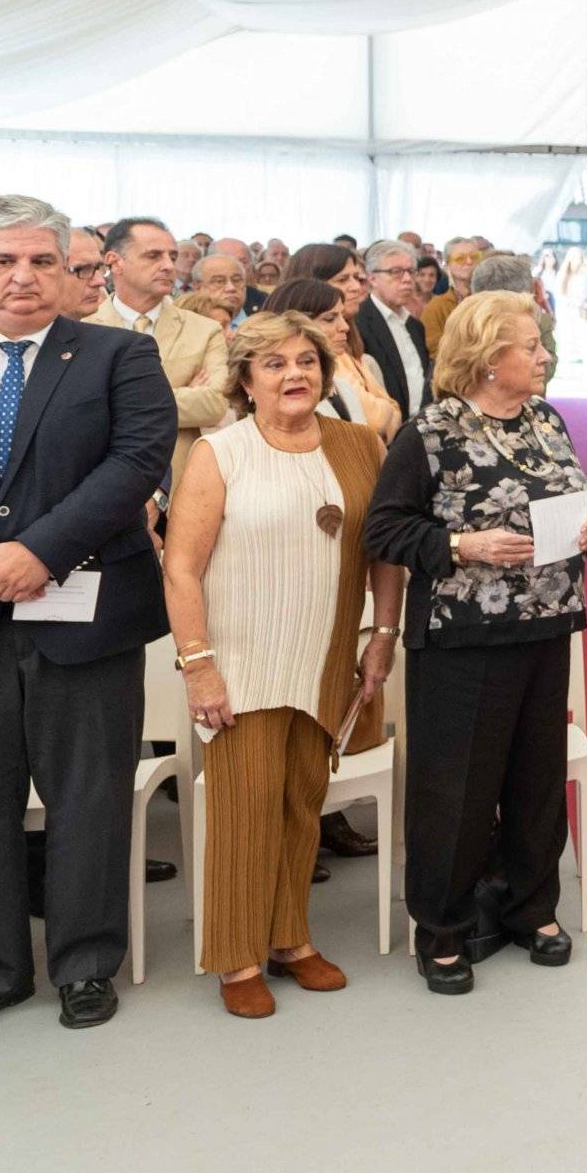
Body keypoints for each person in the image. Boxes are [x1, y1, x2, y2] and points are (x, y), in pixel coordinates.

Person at [0, 195, 174, 1042]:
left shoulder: (119, 355)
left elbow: (136, 461)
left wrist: (36, 552)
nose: (24, 278)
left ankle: (83, 964)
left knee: (88, 796)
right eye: (3, 261)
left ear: (74, 271)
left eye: (44, 261)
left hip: (86, 617)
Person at [364, 292, 587, 994]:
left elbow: (568, 498)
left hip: (547, 621)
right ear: (485, 357)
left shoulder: (545, 418)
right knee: (458, 788)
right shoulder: (431, 431)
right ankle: (442, 925)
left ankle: (530, 905)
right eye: (529, 346)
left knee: (535, 779)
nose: (543, 357)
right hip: (462, 635)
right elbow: (384, 530)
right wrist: (462, 543)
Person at [160, 314, 404, 1017]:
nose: (295, 374)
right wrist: (199, 665)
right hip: (240, 658)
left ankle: (290, 937)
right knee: (245, 807)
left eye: (307, 361)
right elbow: (181, 568)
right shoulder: (220, 451)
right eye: (274, 363)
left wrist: (382, 633)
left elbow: (385, 549)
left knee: (302, 803)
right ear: (244, 379)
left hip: (326, 652)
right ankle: (236, 956)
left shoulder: (360, 445)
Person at [87, 215, 229, 491]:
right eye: (153, 256)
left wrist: (115, 399)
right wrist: (179, 394)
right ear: (115, 262)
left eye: (171, 256)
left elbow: (214, 405)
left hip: (185, 488)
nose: (167, 266)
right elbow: (83, 416)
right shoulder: (84, 330)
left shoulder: (204, 330)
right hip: (104, 487)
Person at [265, 277, 401, 443]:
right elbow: (379, 420)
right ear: (294, 323)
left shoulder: (341, 385)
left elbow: (364, 443)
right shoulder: (274, 389)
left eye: (342, 317)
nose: (345, 327)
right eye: (330, 319)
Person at [354, 239, 432, 417]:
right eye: (395, 272)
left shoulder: (415, 326)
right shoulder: (359, 323)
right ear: (372, 277)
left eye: (411, 271)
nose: (407, 279)